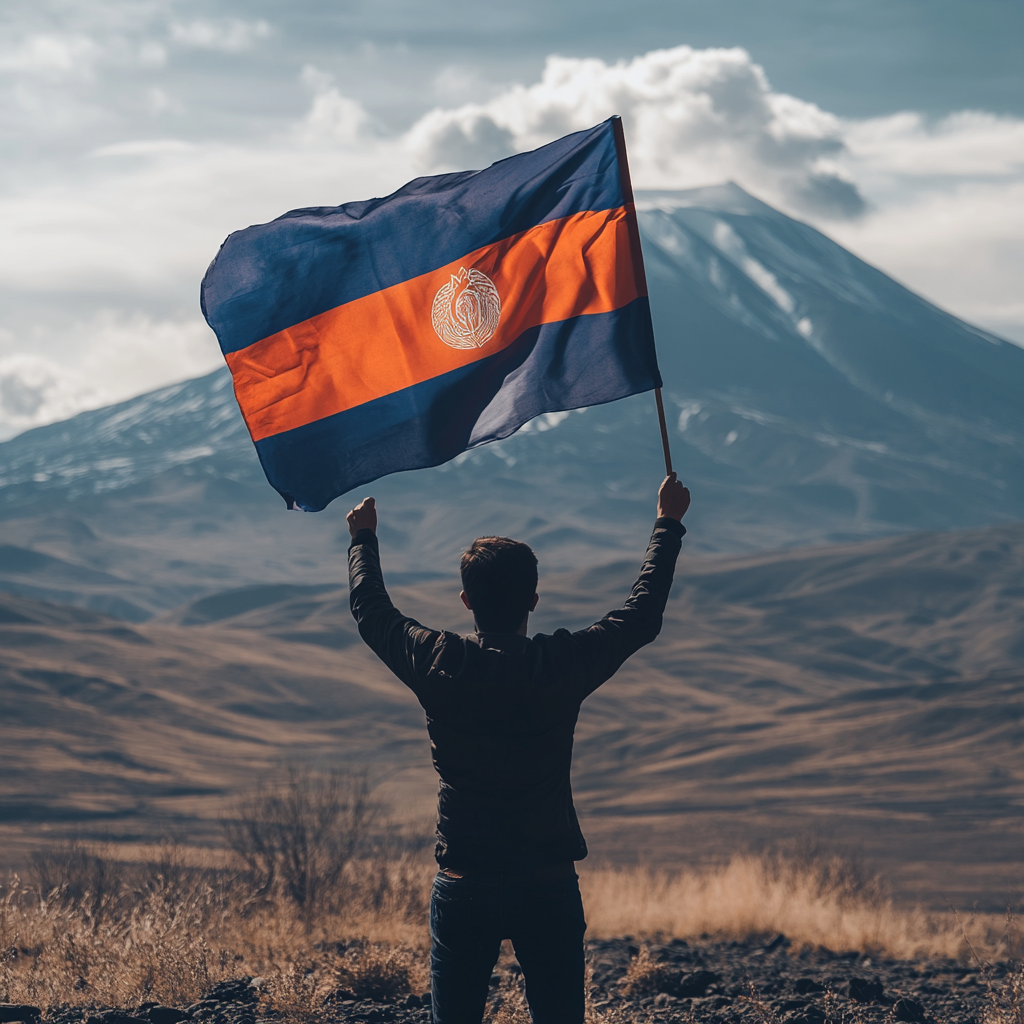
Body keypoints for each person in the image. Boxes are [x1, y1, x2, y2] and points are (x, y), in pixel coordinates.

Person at [346, 473, 690, 1024]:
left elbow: (372, 612)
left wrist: (363, 539)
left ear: (465, 601)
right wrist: (667, 524)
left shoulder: (441, 662)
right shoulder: (557, 665)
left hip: (465, 882)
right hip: (546, 882)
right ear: (533, 598)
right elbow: (641, 615)